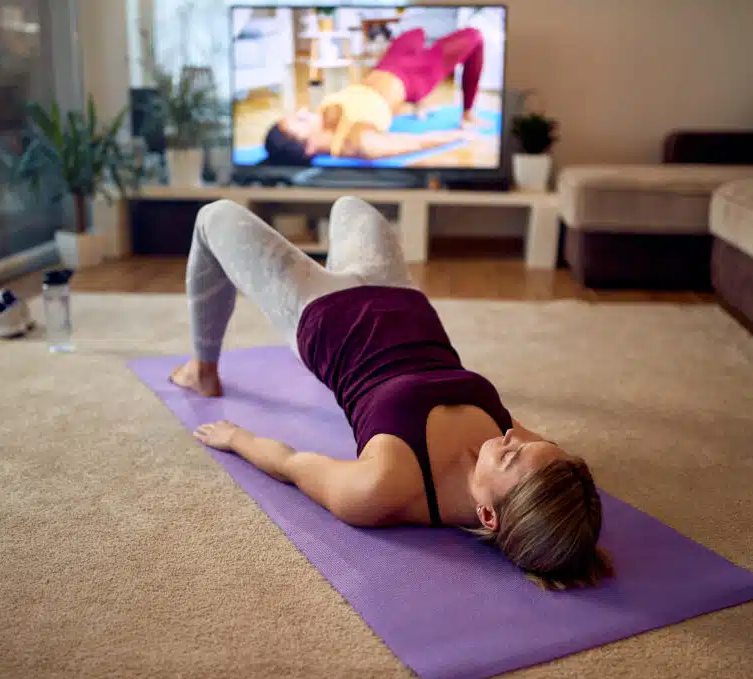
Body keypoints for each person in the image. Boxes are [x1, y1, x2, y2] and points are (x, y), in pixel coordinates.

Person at [171, 196, 614, 590]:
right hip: (400, 294)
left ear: (488, 517)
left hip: (321, 312)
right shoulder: (524, 465)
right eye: (539, 444)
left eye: (512, 456)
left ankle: (202, 368)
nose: (517, 438)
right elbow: (546, 478)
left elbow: (292, 464)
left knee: (214, 217)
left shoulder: (380, 490)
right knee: (350, 206)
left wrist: (235, 438)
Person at [263, 27, 490, 164]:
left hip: (386, 66)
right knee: (475, 37)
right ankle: (467, 112)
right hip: (415, 77)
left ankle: (420, 105)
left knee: (415, 33)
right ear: (308, 147)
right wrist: (460, 135)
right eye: (300, 119)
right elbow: (419, 141)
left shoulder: (323, 120)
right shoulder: (361, 142)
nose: (302, 111)